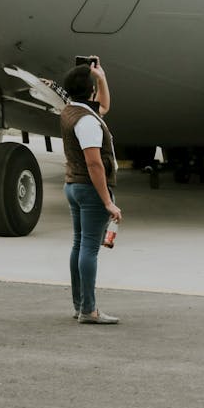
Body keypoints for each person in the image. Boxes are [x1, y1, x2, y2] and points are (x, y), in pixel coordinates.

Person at [60, 59, 122, 325]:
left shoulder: (72, 110)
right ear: (90, 92)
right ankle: (89, 310)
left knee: (79, 245)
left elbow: (104, 107)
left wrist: (101, 78)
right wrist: (108, 201)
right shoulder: (87, 122)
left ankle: (80, 305)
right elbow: (94, 163)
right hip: (89, 189)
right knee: (89, 250)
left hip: (73, 185)